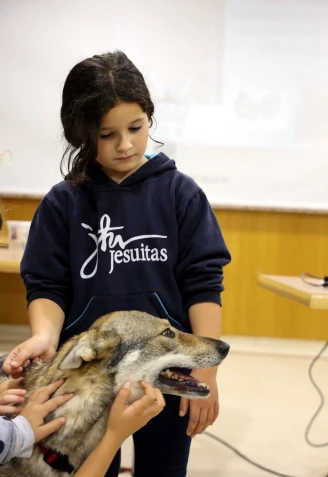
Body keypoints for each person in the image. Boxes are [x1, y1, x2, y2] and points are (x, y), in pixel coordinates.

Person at [2, 50, 231, 477]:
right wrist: (44, 336)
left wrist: (208, 372)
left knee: (163, 467)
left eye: (136, 127)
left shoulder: (181, 194)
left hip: (168, 369)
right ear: (80, 135)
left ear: (151, 118)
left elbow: (204, 282)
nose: (124, 144)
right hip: (89, 376)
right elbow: (47, 285)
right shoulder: (61, 203)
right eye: (106, 134)